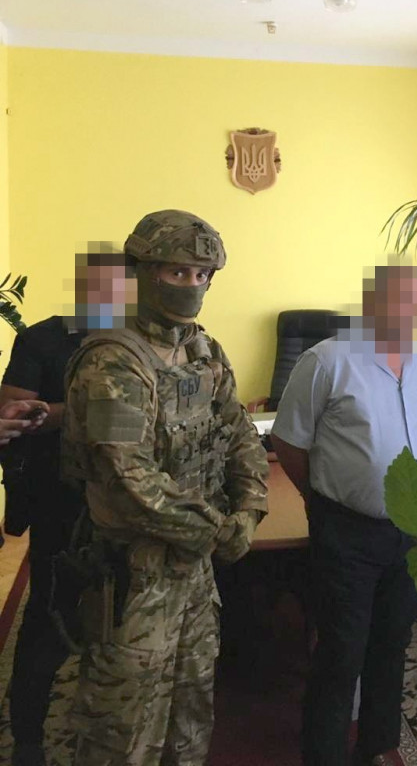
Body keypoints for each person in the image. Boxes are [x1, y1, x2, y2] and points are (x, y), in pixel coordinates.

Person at [62, 209, 269, 766]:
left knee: (190, 713)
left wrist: (250, 508)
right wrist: (218, 530)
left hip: (195, 574)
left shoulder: (204, 352)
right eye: (178, 272)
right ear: (144, 271)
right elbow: (126, 480)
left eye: (202, 274)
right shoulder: (113, 362)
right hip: (136, 577)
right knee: (122, 731)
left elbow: (240, 434)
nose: (192, 285)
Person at [271, 263, 417, 766]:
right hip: (348, 532)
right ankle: (323, 754)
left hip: (411, 532)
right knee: (342, 652)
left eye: (414, 303)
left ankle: (377, 746)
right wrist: (320, 498)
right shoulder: (327, 360)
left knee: (393, 644)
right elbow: (288, 441)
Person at [0, 247, 133, 766]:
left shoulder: (139, 340)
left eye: (119, 289)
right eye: (97, 287)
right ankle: (28, 738)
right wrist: (95, 410)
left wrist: (61, 412)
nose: (107, 298)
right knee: (48, 618)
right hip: (60, 501)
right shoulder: (43, 339)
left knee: (126, 618)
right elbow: (14, 412)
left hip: (128, 500)